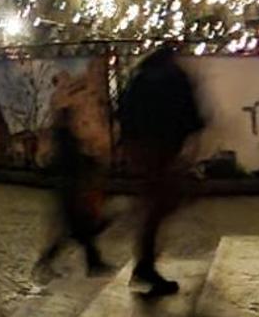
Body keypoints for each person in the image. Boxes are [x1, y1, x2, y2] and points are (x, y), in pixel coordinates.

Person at [117, 45, 205, 296]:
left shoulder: (140, 77)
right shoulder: (174, 76)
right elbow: (189, 113)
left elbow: (125, 112)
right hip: (162, 148)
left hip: (143, 148)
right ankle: (144, 265)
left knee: (155, 203)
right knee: (159, 204)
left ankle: (144, 262)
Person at [36, 104, 108, 275]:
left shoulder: (62, 138)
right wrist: (93, 162)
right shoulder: (66, 138)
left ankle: (92, 263)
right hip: (70, 191)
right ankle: (91, 264)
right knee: (79, 232)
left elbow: (57, 163)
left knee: (77, 232)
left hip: (68, 190)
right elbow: (72, 160)